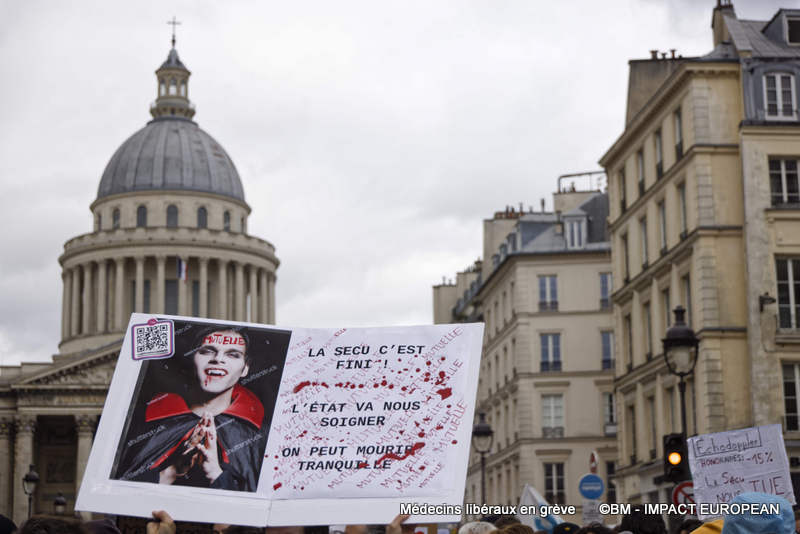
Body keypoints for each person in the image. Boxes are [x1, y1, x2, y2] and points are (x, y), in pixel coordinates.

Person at [115, 326, 267, 491]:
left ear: (245, 368)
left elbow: (254, 508)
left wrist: (215, 474)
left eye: (232, 354)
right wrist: (173, 471)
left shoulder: (259, 436)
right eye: (207, 351)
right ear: (192, 359)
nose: (218, 359)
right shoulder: (141, 423)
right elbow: (121, 495)